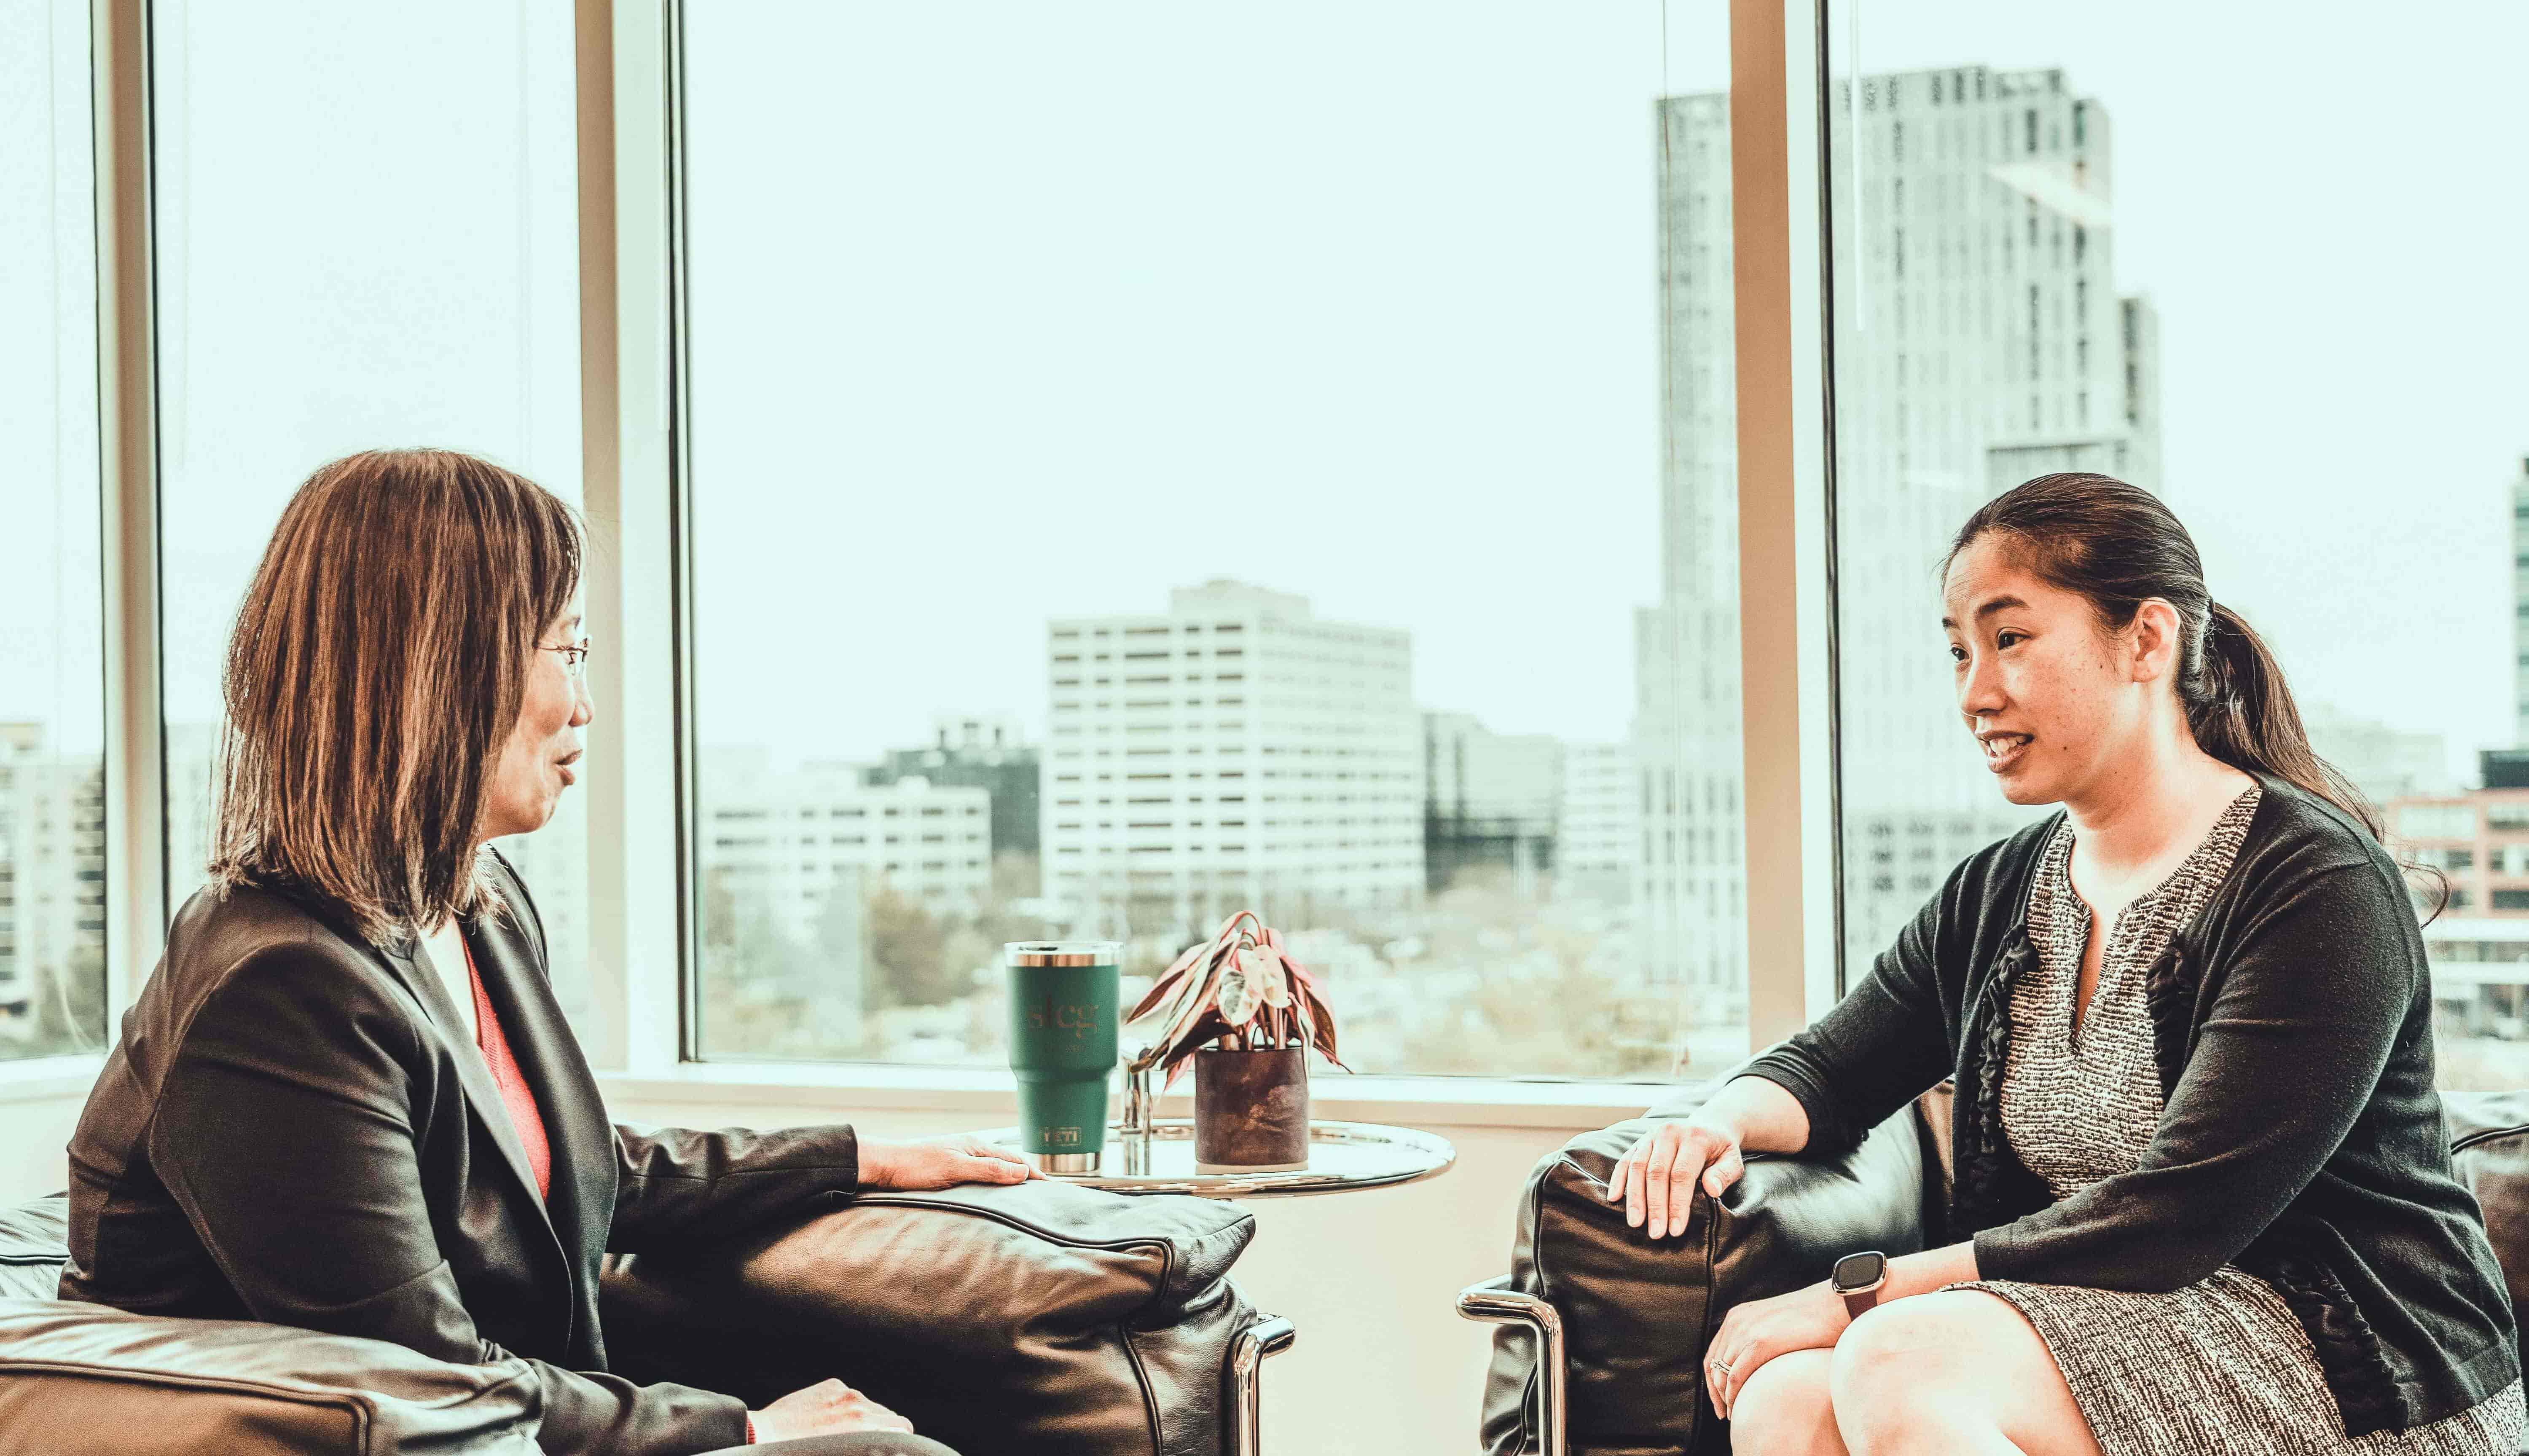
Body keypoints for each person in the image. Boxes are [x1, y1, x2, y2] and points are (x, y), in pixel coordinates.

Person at [59, 449, 1026, 1456]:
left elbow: (566, 1169)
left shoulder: (476, 903)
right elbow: (421, 1376)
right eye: (567, 650)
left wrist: (855, 1158)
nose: (586, 706)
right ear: (437, 671)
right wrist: (742, 1428)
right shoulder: (277, 989)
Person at [1606, 474, 2526, 1455]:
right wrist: (1715, 1121)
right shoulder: (1999, 891)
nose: (1975, 693)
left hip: (2355, 1364)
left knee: (1898, 1356)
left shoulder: (2315, 884)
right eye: (1959, 651)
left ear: (2146, 641)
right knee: (1785, 1395)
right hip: (2107, 1328)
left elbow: (2178, 1217)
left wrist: (1857, 1296)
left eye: (2011, 640)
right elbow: (1832, 1071)